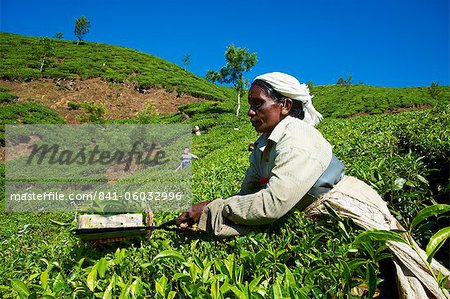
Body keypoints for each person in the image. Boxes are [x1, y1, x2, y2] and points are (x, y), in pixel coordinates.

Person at [176, 72, 449, 298]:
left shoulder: (298, 138)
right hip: (314, 214)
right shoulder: (261, 146)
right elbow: (247, 197)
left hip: (345, 210)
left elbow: (270, 205)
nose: (250, 111)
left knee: (402, 279)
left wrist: (212, 209)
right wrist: (207, 218)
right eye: (249, 104)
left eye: (258, 104)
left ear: (284, 105)